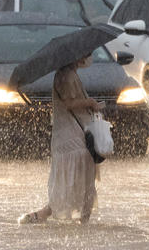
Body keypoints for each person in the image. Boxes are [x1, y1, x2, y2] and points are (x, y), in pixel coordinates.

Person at [18, 54, 103, 225]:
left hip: (74, 133)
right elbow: (69, 103)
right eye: (86, 54)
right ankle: (46, 214)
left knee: (82, 175)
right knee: (78, 176)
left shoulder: (70, 73)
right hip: (70, 135)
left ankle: (81, 219)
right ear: (77, 56)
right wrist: (90, 102)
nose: (89, 57)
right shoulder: (66, 75)